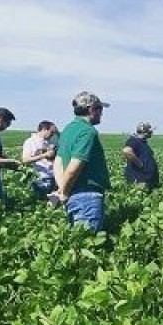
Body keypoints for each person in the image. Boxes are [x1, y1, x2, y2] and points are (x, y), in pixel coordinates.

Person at [52, 92, 111, 232]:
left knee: (77, 240)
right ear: (91, 110)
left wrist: (62, 189)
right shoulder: (88, 131)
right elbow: (75, 165)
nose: (101, 114)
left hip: (73, 192)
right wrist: (64, 192)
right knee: (88, 241)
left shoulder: (68, 129)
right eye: (99, 109)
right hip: (87, 194)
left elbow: (58, 162)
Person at [21, 121, 59, 198]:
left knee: (52, 202)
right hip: (41, 177)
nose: (52, 135)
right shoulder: (30, 142)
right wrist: (44, 155)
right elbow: (25, 160)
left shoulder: (50, 142)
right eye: (51, 132)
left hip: (53, 176)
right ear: (44, 129)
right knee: (41, 200)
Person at [123, 122, 160, 190]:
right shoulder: (134, 140)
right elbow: (127, 151)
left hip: (147, 179)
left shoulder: (142, 142)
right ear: (145, 132)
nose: (152, 133)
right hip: (140, 180)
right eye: (150, 131)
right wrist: (140, 164)